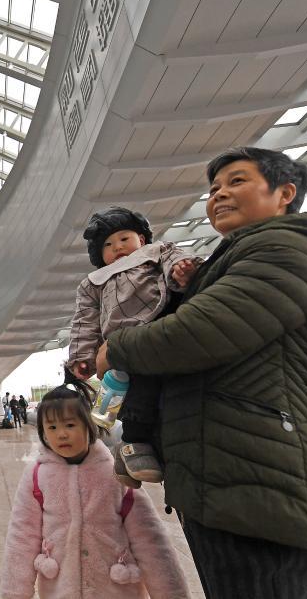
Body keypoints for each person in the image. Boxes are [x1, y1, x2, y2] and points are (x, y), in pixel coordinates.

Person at [92, 147, 307, 598]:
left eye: (237, 181)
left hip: (257, 476)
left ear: (285, 193)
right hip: (228, 471)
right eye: (214, 189)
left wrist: (116, 349)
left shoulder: (285, 249)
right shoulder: (234, 257)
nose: (219, 195)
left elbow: (199, 333)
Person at [0, 383, 187, 599]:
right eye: (51, 427)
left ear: (89, 425)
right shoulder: (37, 476)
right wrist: (14, 594)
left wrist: (172, 594)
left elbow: (149, 538)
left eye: (70, 425)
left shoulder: (114, 474)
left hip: (117, 591)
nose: (61, 434)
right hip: (60, 591)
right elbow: (22, 537)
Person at [67, 206, 200, 487]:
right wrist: (81, 356)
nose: (117, 247)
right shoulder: (93, 282)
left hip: (158, 325)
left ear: (141, 239)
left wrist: (183, 270)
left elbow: (176, 261)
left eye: (124, 239)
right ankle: (132, 443)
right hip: (121, 345)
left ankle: (133, 450)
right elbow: (84, 321)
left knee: (153, 391)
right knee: (134, 392)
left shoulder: (157, 252)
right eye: (107, 244)